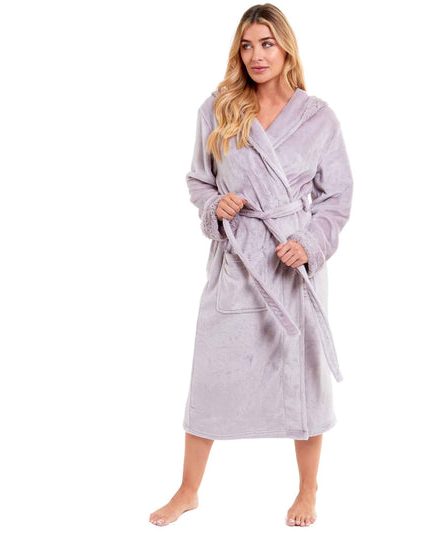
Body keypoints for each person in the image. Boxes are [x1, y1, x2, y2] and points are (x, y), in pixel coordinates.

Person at [149, 3, 353, 528]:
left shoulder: (318, 117)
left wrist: (308, 242)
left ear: (286, 48)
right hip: (238, 265)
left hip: (292, 268)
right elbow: (199, 179)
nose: (256, 55)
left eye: (267, 43)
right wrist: (215, 206)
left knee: (304, 380)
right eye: (246, 45)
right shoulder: (219, 108)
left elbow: (336, 198)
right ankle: (188, 490)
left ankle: (307, 491)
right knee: (210, 376)